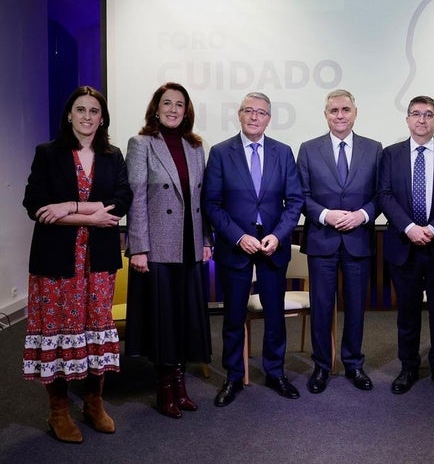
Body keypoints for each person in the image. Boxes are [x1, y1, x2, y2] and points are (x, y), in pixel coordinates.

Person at [22, 86, 132, 443]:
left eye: (94, 111)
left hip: (97, 262)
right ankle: (58, 412)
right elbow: (35, 206)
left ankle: (94, 403)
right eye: (80, 110)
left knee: (95, 329)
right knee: (55, 331)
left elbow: (119, 203)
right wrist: (89, 214)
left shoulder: (113, 156)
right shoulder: (48, 153)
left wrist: (68, 207)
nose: (87, 116)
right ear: (69, 115)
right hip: (55, 262)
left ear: (103, 118)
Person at [203, 92, 304, 406]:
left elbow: (295, 201)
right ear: (239, 114)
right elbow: (212, 203)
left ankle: (275, 373)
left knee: (275, 314)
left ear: (269, 118)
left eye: (261, 112)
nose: (254, 117)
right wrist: (237, 237)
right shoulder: (221, 153)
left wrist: (278, 234)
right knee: (233, 316)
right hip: (237, 245)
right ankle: (234, 377)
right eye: (249, 111)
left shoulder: (283, 152)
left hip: (273, 244)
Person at [124, 82, 213, 418]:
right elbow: (136, 199)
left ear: (186, 110)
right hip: (158, 248)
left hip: (189, 247)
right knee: (162, 321)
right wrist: (139, 248)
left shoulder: (195, 146)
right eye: (167, 103)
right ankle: (165, 388)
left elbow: (200, 201)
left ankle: (179, 383)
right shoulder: (141, 143)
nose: (174, 109)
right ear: (156, 108)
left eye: (180, 104)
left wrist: (206, 241)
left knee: (183, 318)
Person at [378, 95, 434, 397]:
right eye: (416, 114)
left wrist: (431, 228)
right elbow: (385, 195)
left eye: (428, 114)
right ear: (407, 119)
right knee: (408, 311)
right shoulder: (390, 154)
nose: (422, 119)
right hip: (403, 246)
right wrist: (409, 228)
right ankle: (408, 367)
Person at [296, 89, 382, 393]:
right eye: (334, 110)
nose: (340, 115)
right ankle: (321, 365)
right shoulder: (307, 149)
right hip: (322, 239)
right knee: (321, 305)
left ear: (355, 112)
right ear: (325, 115)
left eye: (346, 109)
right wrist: (326, 215)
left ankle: (354, 364)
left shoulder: (374, 149)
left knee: (357, 306)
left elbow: (380, 196)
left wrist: (362, 215)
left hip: (358, 239)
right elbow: (301, 196)